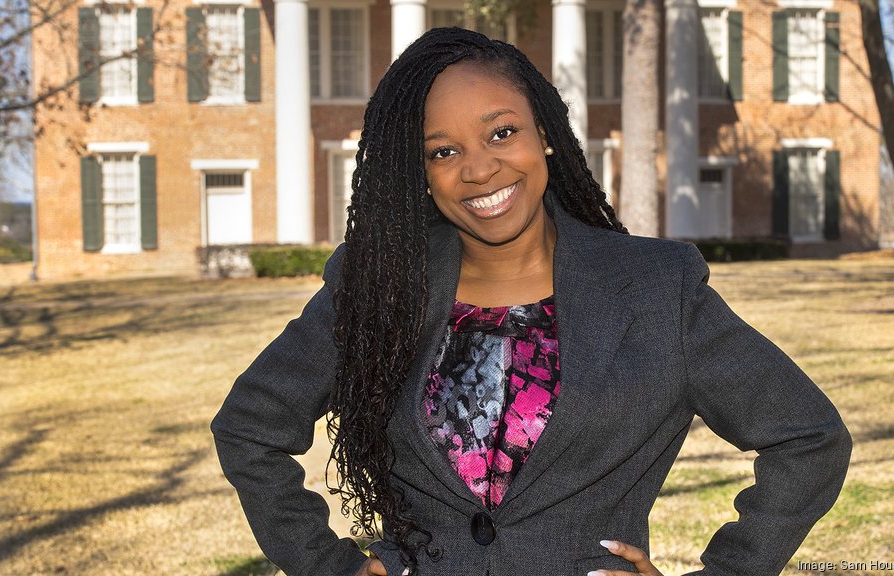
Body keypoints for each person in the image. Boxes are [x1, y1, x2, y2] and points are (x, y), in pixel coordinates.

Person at [211, 27, 852, 576]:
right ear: (420, 171)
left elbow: (809, 439)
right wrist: (329, 566)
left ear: (544, 133)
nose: (479, 169)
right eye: (443, 151)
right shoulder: (375, 285)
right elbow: (249, 428)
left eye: (502, 132)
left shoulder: (657, 289)